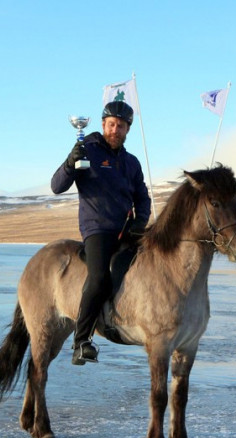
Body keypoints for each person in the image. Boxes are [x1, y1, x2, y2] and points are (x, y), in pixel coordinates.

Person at [51, 101, 151, 365]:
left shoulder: (131, 163)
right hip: (98, 229)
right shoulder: (88, 151)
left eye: (121, 126)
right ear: (103, 124)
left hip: (127, 230)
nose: (115, 130)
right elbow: (57, 186)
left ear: (128, 129)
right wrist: (70, 163)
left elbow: (142, 197)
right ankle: (81, 341)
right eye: (111, 124)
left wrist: (140, 221)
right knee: (99, 278)